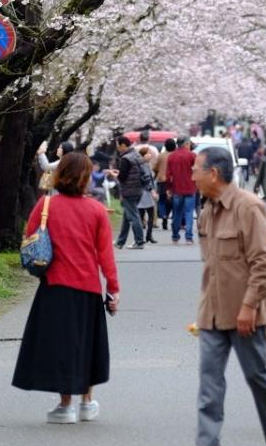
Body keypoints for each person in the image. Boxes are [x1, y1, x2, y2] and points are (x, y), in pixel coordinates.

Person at [180, 147, 266, 446]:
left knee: (257, 374)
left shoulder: (249, 207)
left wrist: (249, 306)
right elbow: (213, 266)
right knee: (209, 376)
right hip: (214, 310)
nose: (191, 176)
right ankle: (208, 444)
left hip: (248, 310)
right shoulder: (207, 210)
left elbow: (264, 260)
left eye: (195, 170)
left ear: (213, 174)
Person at [12, 148, 120, 423]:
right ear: (85, 177)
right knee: (88, 343)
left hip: (55, 286)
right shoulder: (96, 210)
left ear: (59, 174)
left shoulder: (45, 206)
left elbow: (29, 237)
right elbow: (105, 254)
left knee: (62, 345)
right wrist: (113, 290)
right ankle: (87, 402)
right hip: (88, 287)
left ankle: (65, 406)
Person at [112, 134, 146, 249]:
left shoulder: (126, 158)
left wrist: (114, 174)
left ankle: (139, 241)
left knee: (133, 216)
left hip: (129, 190)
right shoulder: (135, 155)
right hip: (137, 189)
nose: (117, 148)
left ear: (122, 145)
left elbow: (122, 177)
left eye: (118, 145)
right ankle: (120, 242)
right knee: (127, 217)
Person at [167, 134, 197, 243]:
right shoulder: (192, 156)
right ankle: (189, 237)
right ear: (186, 144)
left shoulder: (171, 156)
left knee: (177, 213)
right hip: (190, 188)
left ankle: (175, 236)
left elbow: (168, 174)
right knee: (189, 213)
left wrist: (169, 188)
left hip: (176, 189)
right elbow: (197, 171)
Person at [134, 139, 158, 244]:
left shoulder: (146, 164)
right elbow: (146, 179)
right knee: (143, 215)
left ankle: (147, 236)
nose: (150, 155)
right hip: (144, 193)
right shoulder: (142, 165)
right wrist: (152, 190)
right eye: (148, 154)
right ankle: (144, 237)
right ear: (143, 155)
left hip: (146, 192)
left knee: (147, 215)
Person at [156, 137, 175, 230]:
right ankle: (168, 215)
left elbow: (155, 167)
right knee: (172, 201)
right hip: (173, 181)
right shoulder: (176, 155)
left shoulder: (161, 155)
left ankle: (163, 215)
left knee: (162, 200)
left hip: (162, 180)